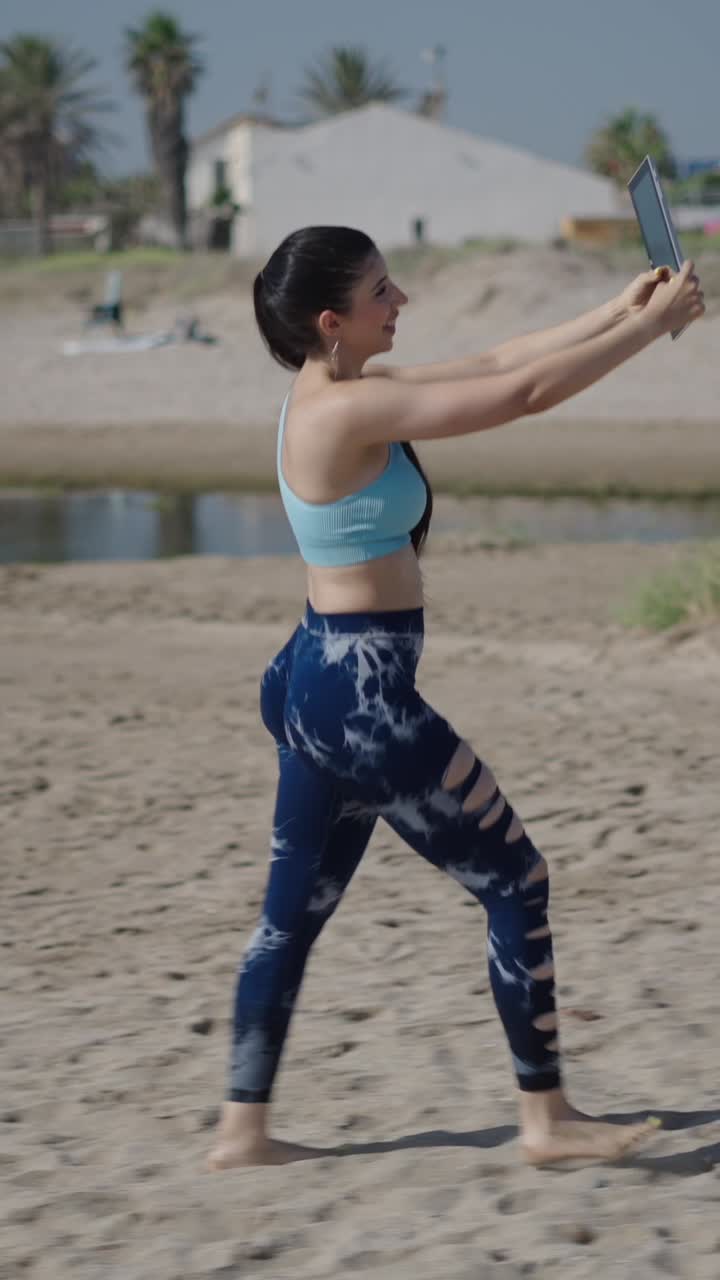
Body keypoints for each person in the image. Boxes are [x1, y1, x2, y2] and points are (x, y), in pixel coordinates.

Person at [207, 227, 704, 1171]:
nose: (401, 302)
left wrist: (622, 308)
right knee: (518, 883)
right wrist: (658, 331)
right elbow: (520, 396)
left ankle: (242, 1129)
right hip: (359, 696)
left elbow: (496, 359)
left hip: (315, 680)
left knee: (290, 916)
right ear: (332, 321)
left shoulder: (337, 392)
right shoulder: (340, 416)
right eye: (382, 291)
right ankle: (546, 1120)